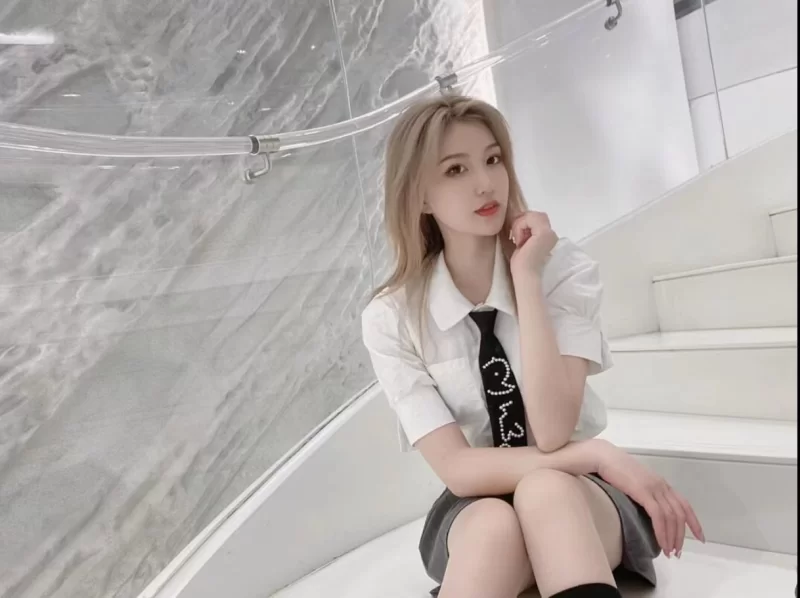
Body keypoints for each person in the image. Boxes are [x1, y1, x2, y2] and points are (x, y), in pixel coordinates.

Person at [360, 94, 704, 598]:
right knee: (493, 526)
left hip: (579, 494)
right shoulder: (392, 317)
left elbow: (552, 429)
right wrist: (597, 453)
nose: (485, 183)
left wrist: (527, 278)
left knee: (546, 492)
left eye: (493, 159)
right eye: (456, 170)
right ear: (420, 197)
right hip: (476, 506)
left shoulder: (562, 270)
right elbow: (458, 469)